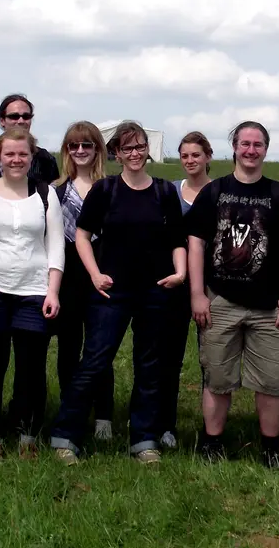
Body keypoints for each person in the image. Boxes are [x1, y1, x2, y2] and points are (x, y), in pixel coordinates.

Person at [51, 121, 186, 465]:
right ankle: (66, 437)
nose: (135, 154)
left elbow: (176, 240)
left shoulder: (164, 192)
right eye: (127, 149)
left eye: (140, 146)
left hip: (155, 291)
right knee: (95, 361)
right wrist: (95, 274)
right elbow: (81, 235)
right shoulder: (106, 190)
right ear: (116, 154)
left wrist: (181, 272)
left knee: (149, 365)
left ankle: (144, 440)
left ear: (147, 149)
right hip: (112, 292)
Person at [187, 121, 279, 469]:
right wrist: (198, 293)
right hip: (220, 300)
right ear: (234, 148)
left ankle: (271, 448)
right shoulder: (214, 192)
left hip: (270, 305)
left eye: (258, 144)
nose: (251, 150)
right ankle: (212, 444)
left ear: (265, 150)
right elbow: (195, 243)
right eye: (245, 144)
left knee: (271, 380)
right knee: (217, 377)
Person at [0, 128, 65, 461]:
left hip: (34, 293)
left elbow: (55, 245)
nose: (16, 160)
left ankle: (28, 436)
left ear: (32, 157)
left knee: (31, 369)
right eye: (9, 154)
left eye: (22, 154)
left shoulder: (45, 194)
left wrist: (52, 291)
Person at [53, 121, 115, 442]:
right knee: (68, 350)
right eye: (73, 146)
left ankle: (104, 415)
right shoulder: (55, 191)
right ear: (66, 150)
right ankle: (71, 407)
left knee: (99, 351)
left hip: (103, 280)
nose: (80, 151)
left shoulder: (112, 188)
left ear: (97, 150)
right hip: (67, 281)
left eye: (87, 145)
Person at [158, 131, 214, 449]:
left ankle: (211, 428)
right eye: (185, 156)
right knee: (170, 358)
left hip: (213, 287)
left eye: (196, 155)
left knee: (211, 358)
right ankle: (165, 426)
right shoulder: (170, 192)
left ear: (208, 156)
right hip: (176, 284)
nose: (190, 161)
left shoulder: (219, 192)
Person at [0, 94, 59, 184]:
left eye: (26, 116)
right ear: (2, 121)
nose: (21, 121)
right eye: (14, 116)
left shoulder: (45, 158)